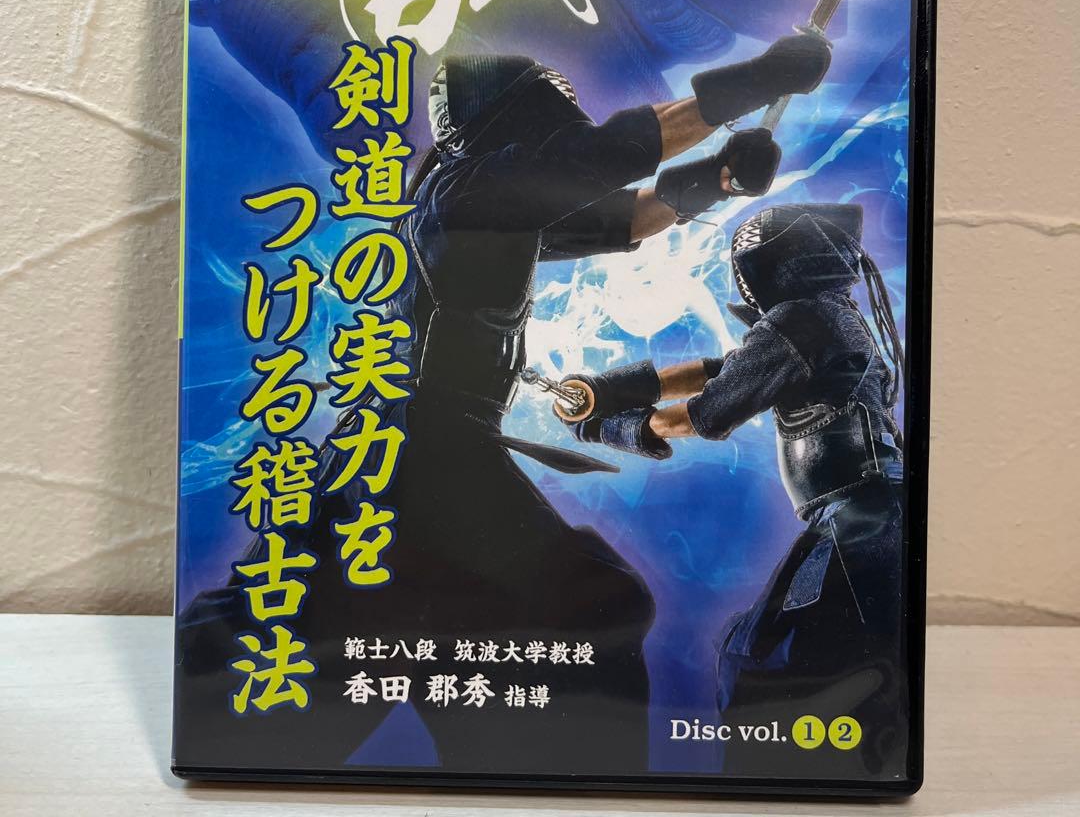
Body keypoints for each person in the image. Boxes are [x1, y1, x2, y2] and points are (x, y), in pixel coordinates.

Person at [175, 39, 831, 776]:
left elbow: (622, 218)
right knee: (587, 610)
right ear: (505, 122)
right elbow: (609, 154)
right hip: (429, 450)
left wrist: (717, 177)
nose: (561, 134)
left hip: (401, 450)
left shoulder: (472, 200)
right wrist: (760, 79)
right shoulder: (472, 189)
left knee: (330, 608)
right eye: (545, 122)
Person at [562, 203, 907, 776]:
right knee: (811, 659)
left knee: (763, 660)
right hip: (865, 517)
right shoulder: (827, 316)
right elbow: (729, 368)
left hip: (860, 523)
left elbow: (703, 413)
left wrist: (605, 428)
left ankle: (789, 782)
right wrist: (609, 389)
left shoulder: (802, 320)